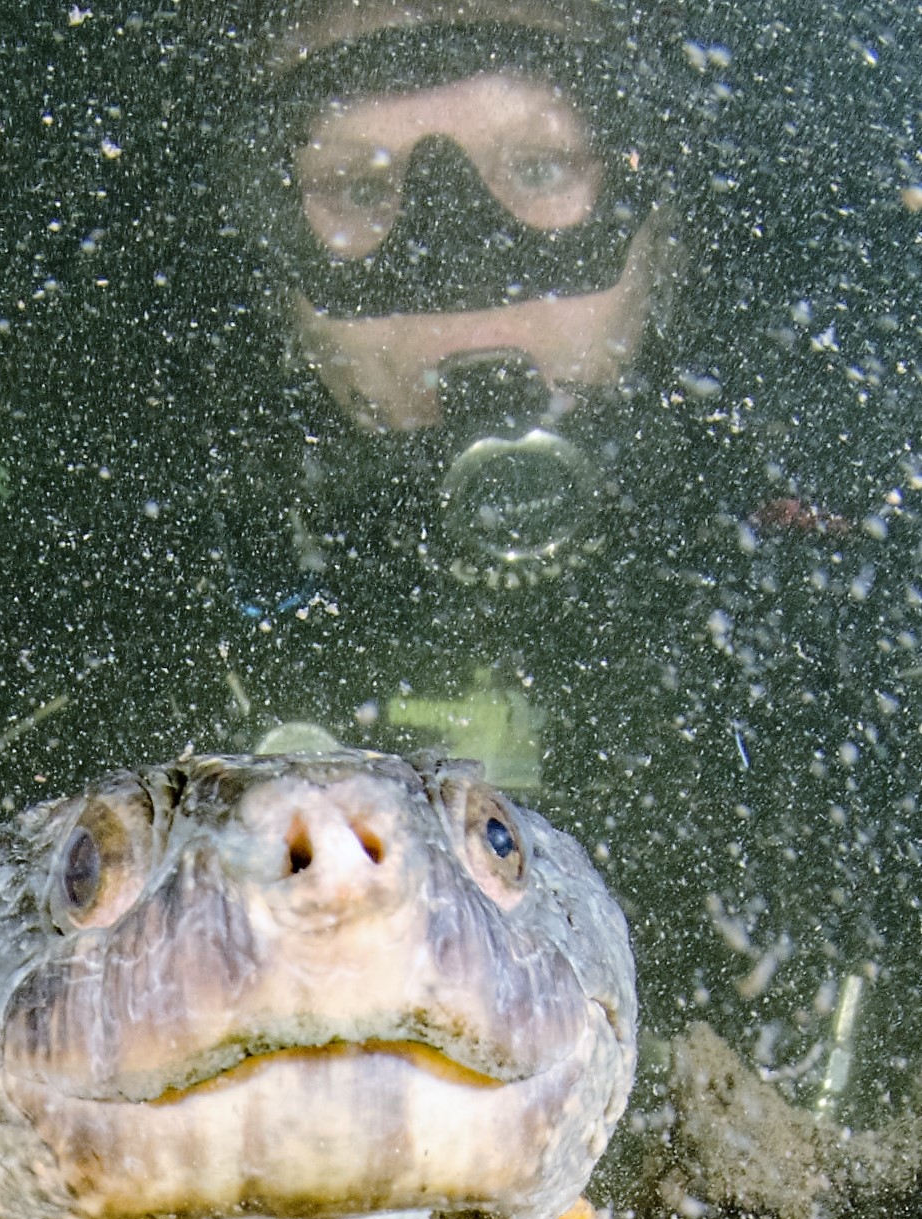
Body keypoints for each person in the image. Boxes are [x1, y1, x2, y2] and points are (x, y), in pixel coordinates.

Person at [176, 0, 922, 1120]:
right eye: (365, 190)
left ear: (665, 221)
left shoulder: (864, 604)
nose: (456, 256)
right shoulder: (125, 600)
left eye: (536, 164)